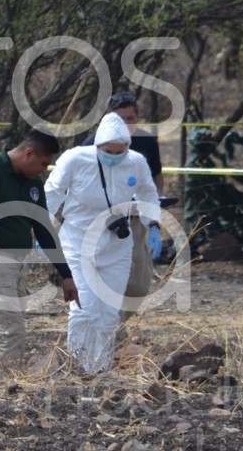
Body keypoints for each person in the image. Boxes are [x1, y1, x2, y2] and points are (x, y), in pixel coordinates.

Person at [0, 130, 80, 381]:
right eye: (43, 163)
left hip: (16, 265)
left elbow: (44, 230)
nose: (44, 170)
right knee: (12, 330)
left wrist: (65, 274)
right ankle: (5, 387)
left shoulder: (33, 183)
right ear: (29, 153)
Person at [46, 113, 160, 373]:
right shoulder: (75, 159)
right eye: (109, 151)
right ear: (97, 146)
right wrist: (44, 228)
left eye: (120, 151)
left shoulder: (136, 162)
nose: (114, 155)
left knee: (109, 314)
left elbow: (148, 193)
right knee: (85, 309)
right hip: (78, 242)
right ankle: (78, 366)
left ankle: (100, 367)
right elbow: (51, 193)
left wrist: (152, 224)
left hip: (116, 245)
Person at [80, 91, 164, 325]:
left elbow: (155, 179)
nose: (127, 124)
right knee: (105, 280)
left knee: (137, 283)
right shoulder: (91, 144)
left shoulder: (146, 142)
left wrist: (154, 215)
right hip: (102, 222)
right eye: (121, 119)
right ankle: (107, 329)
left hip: (135, 220)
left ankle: (117, 322)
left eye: (131, 118)